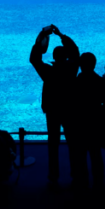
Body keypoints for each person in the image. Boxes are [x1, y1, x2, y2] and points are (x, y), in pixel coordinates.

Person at [29, 24, 79, 188]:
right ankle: (75, 174)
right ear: (65, 56)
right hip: (69, 110)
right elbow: (75, 52)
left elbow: (34, 59)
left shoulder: (48, 72)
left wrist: (41, 36)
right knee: (73, 143)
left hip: (52, 110)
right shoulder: (72, 69)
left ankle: (53, 176)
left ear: (54, 57)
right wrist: (61, 35)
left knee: (53, 143)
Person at [72, 52, 105, 189]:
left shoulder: (76, 81)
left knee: (80, 155)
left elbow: (72, 102)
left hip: (80, 123)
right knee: (96, 153)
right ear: (94, 64)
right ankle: (99, 182)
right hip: (95, 122)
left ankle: (81, 182)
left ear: (80, 65)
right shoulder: (100, 81)